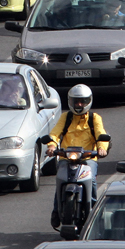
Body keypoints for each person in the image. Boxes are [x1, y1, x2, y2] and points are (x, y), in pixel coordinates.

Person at [47, 85, 108, 228]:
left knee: (92, 180)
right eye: (76, 101)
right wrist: (51, 146)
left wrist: (101, 149)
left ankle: (94, 212)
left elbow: (101, 134)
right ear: (70, 102)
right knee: (61, 180)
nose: (79, 105)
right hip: (66, 158)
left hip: (88, 158)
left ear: (88, 101)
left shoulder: (94, 118)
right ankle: (56, 211)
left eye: (82, 101)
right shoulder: (66, 117)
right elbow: (55, 133)